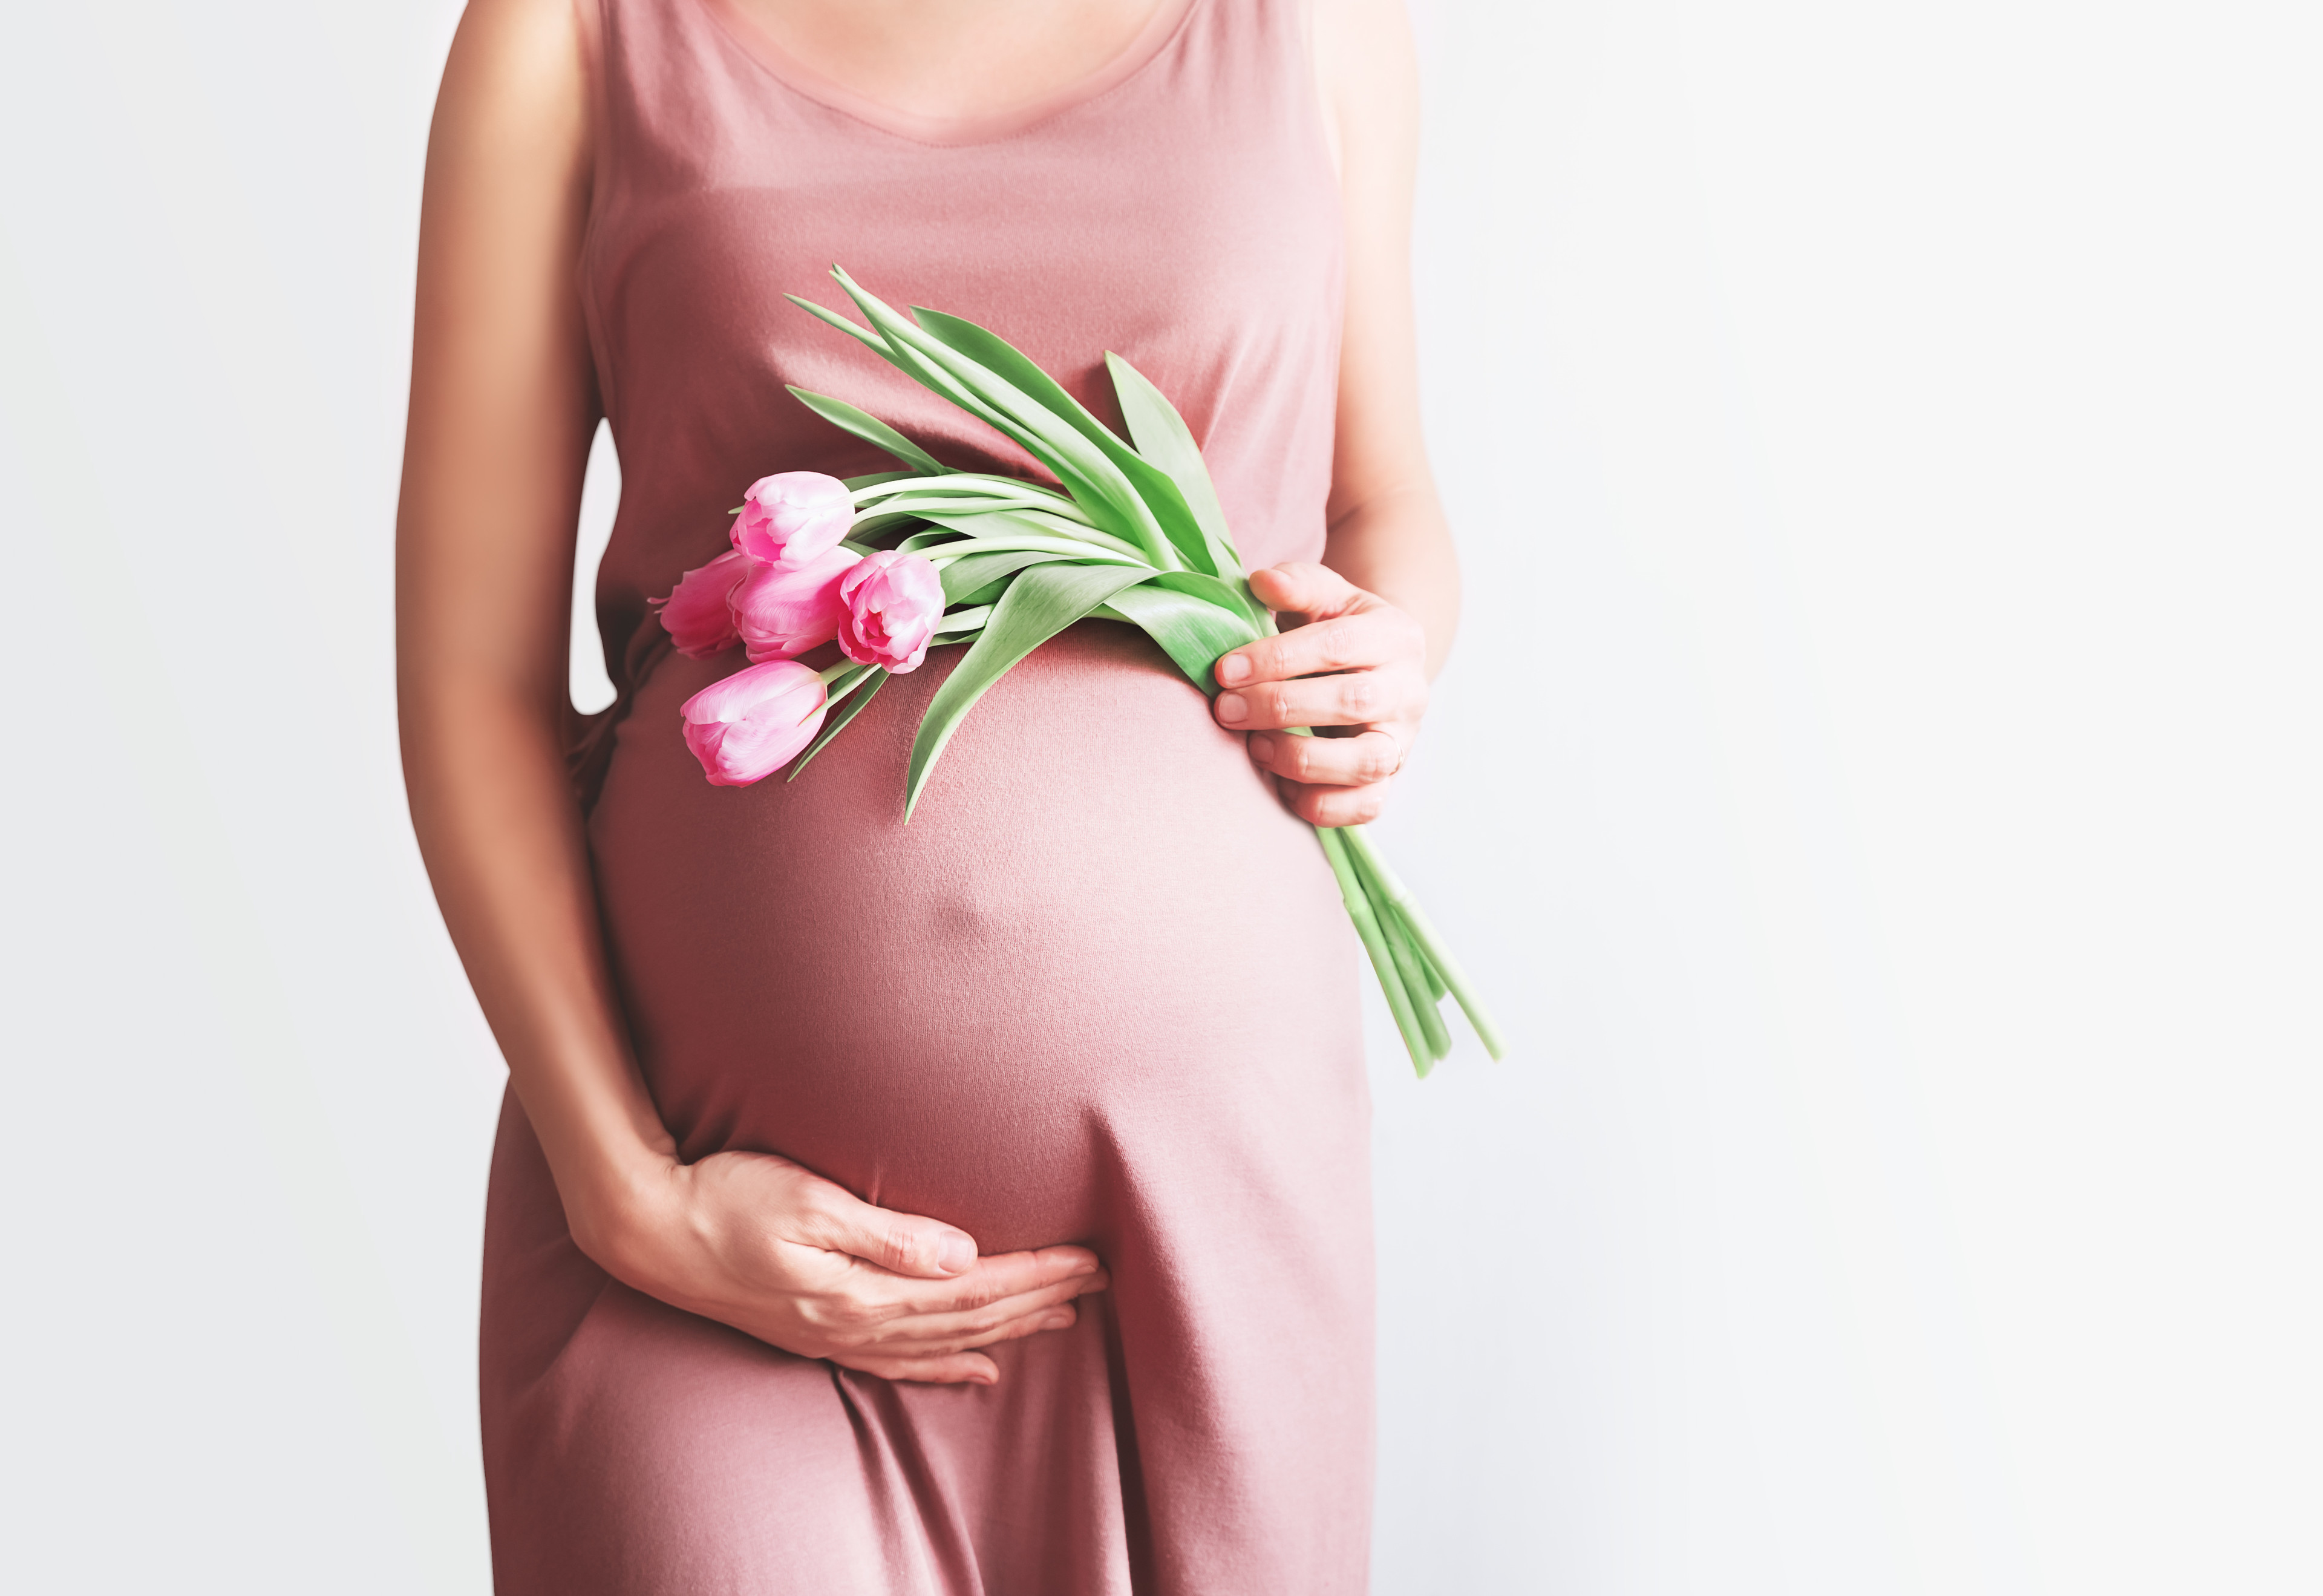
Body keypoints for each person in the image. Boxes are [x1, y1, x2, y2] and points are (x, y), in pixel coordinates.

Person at [396, 0, 1459, 1588]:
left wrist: (1398, 651)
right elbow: (468, 684)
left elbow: (1388, 506)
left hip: (1204, 1228)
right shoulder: (563, 33)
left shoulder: (1322, 25)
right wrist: (633, 1197)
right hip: (713, 1235)